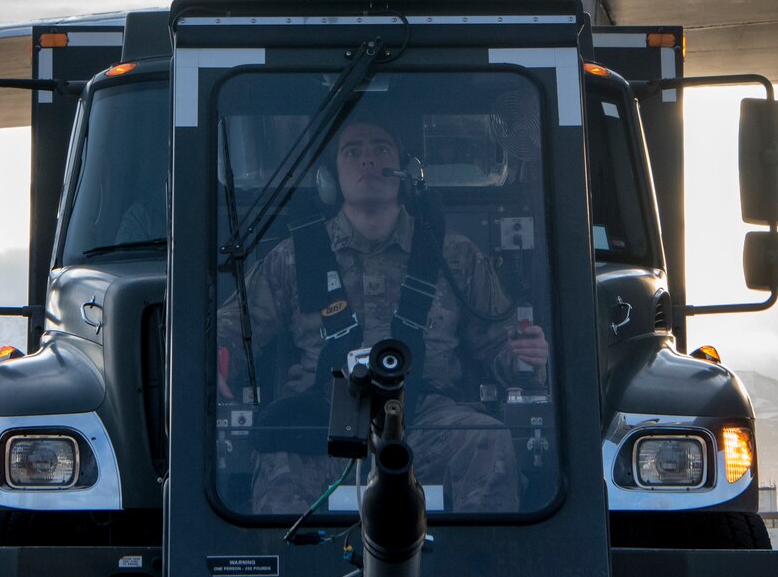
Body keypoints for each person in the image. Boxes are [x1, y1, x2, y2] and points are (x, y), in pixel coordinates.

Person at [218, 113, 549, 514]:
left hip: (428, 415)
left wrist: (524, 357)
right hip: (323, 416)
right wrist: (222, 359)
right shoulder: (293, 258)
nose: (368, 160)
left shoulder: (453, 256)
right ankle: (294, 576)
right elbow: (232, 328)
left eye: (381, 149)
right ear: (330, 178)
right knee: (278, 453)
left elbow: (501, 341)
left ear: (406, 171)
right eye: (352, 151)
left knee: (486, 441)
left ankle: (476, 572)